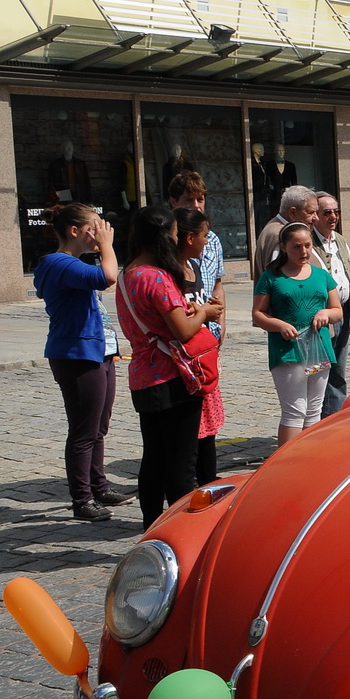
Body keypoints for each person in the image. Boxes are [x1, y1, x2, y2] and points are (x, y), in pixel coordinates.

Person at [117, 204, 223, 531]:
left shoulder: (127, 274)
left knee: (154, 459)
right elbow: (184, 330)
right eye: (175, 235)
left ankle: (151, 525)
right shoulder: (157, 277)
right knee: (181, 464)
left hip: (143, 376)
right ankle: (184, 531)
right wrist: (204, 312)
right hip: (173, 378)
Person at [34, 203, 131, 522]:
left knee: (98, 426)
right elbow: (108, 276)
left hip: (98, 350)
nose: (100, 233)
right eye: (94, 227)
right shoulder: (58, 263)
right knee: (83, 429)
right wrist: (107, 245)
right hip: (76, 353)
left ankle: (98, 486)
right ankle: (82, 498)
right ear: (74, 231)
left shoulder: (72, 263)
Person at [253, 221, 342, 445]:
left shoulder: (321, 275)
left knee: (314, 409)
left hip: (318, 350)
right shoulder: (271, 277)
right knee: (294, 410)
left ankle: (309, 456)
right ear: (283, 247)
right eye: (296, 246)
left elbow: (337, 310)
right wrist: (279, 325)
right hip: (288, 351)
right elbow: (258, 314)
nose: (303, 251)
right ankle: (287, 460)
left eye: (307, 246)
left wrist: (325, 313)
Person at [173, 208, 225, 484]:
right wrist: (204, 313)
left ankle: (209, 481)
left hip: (203, 358)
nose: (208, 241)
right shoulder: (169, 273)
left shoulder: (193, 266)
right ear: (190, 237)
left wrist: (209, 310)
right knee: (188, 438)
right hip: (184, 364)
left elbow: (201, 303)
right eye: (204, 236)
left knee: (208, 433)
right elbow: (182, 320)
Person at [313, 193, 350, 417]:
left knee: (338, 372)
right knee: (320, 372)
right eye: (327, 212)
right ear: (315, 215)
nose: (333, 216)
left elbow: (349, 277)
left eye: (336, 212)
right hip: (321, 318)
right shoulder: (308, 242)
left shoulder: (339, 240)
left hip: (341, 313)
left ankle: (334, 417)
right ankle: (320, 419)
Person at [168, 171, 226, 347]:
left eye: (200, 200)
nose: (196, 206)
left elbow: (217, 285)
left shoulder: (213, 240)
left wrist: (221, 324)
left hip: (209, 331)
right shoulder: (168, 243)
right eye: (189, 200)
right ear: (173, 202)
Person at [253, 184, 318, 277]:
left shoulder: (277, 229)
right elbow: (281, 279)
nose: (316, 218)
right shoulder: (281, 234)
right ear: (292, 212)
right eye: (310, 213)